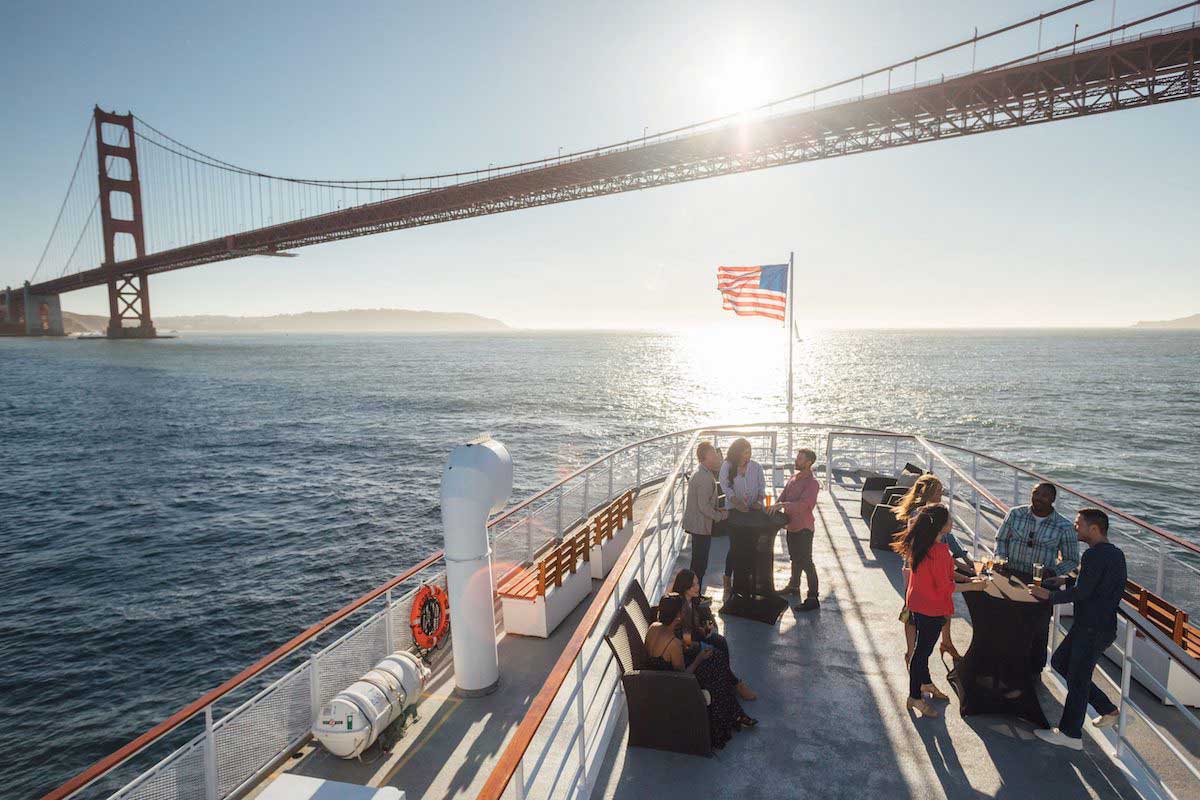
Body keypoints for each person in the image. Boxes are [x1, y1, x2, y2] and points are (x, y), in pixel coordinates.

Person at [1029, 508, 1127, 750]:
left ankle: (1070, 734)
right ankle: (1108, 709)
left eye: (1078, 524)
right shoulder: (1114, 554)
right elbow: (1094, 583)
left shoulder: (1093, 556)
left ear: (1093, 528)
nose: (1075, 528)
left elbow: (1084, 592)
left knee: (1079, 679)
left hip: (1092, 628)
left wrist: (1048, 595)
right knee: (1061, 663)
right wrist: (1066, 580)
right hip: (1096, 626)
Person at [892, 504, 986, 718]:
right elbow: (945, 587)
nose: (953, 522)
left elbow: (941, 573)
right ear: (942, 526)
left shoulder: (920, 545)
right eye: (950, 519)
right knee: (921, 653)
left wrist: (966, 578)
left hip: (917, 602)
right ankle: (914, 696)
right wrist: (973, 586)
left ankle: (925, 684)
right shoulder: (940, 551)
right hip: (932, 608)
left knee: (922, 648)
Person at [644, 593, 756, 748]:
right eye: (681, 611)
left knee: (716, 658)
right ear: (677, 616)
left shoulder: (653, 627)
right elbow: (684, 676)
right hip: (672, 685)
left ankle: (735, 714)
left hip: (660, 676)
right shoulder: (673, 644)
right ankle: (730, 717)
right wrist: (699, 658)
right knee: (715, 666)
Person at [894, 475, 974, 661]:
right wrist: (962, 566)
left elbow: (949, 541)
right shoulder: (921, 515)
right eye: (939, 490)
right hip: (917, 567)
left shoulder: (937, 513)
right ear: (928, 492)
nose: (942, 493)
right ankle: (910, 652)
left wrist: (966, 561)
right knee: (911, 610)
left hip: (932, 565)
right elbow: (929, 548)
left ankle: (946, 641)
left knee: (943, 603)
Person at [671, 568, 756, 700]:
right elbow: (686, 643)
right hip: (684, 647)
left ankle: (727, 679)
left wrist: (705, 630)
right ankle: (735, 683)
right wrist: (701, 645)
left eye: (698, 583)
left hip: (694, 637)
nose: (697, 587)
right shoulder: (680, 608)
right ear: (684, 587)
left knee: (720, 641)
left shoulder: (694, 601)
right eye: (693, 585)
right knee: (715, 652)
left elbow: (704, 626)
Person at [995, 482, 1080, 581]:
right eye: (1036, 493)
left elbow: (1072, 560)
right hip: (1009, 572)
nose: (1038, 498)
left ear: (1053, 499)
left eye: (1044, 495)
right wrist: (1000, 559)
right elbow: (1001, 539)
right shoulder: (1015, 514)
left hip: (1040, 580)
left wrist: (1053, 572)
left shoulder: (1064, 526)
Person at [719, 438, 766, 592]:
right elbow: (725, 487)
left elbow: (761, 487)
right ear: (737, 452)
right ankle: (727, 579)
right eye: (745, 453)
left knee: (751, 545)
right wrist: (737, 504)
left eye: (750, 452)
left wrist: (759, 501)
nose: (748, 456)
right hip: (734, 512)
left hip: (752, 511)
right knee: (735, 546)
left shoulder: (756, 467)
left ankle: (747, 579)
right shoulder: (727, 466)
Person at [682, 441, 728, 597]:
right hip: (700, 526)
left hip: (699, 525)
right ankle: (695, 596)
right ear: (705, 457)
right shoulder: (704, 477)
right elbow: (703, 506)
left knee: (698, 563)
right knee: (699, 565)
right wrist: (720, 516)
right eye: (713, 453)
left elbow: (706, 502)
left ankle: (695, 594)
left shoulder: (703, 472)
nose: (716, 455)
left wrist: (716, 508)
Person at [777, 448, 821, 610]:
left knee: (806, 562)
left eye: (800, 458)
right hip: (792, 526)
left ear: (809, 462)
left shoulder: (812, 483)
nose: (797, 460)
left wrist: (782, 505)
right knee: (795, 558)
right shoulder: (794, 478)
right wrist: (776, 504)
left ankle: (813, 598)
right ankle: (794, 586)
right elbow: (784, 494)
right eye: (797, 457)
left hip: (804, 528)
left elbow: (805, 505)